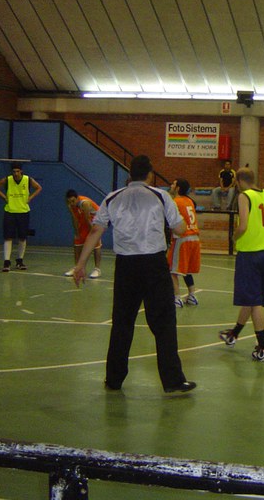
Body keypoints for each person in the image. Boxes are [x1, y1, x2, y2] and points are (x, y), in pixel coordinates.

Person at [72, 155, 196, 394]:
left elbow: (96, 231)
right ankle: (172, 380)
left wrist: (80, 265)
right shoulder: (161, 196)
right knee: (164, 323)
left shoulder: (112, 197)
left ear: (130, 174)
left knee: (122, 323)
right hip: (154, 265)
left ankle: (114, 379)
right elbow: (180, 228)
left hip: (126, 267)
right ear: (150, 174)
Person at [218, 167, 264, 361]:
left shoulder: (244, 196)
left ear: (238, 181)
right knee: (253, 298)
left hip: (250, 254)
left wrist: (233, 237)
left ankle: (263, 347)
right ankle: (234, 334)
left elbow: (243, 225)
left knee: (254, 302)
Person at [0, 162, 42, 272]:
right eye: (14, 171)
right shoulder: (8, 180)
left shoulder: (27, 180)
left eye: (17, 171)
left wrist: (30, 198)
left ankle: (20, 260)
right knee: (8, 237)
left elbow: (39, 188)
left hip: (23, 211)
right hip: (10, 211)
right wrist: (4, 197)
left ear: (21, 171)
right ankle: (6, 262)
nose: (15, 173)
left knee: (22, 237)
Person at [167, 178, 201, 308]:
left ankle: (176, 298)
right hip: (194, 238)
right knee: (186, 269)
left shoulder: (175, 202)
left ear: (178, 188)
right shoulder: (189, 201)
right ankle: (192, 295)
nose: (171, 185)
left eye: (173, 184)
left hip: (183, 238)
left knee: (172, 270)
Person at [64, 190, 102, 279]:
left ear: (77, 198)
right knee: (77, 242)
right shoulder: (70, 205)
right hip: (84, 221)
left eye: (73, 201)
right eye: (69, 201)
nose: (72, 203)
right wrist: (77, 233)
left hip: (95, 220)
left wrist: (93, 235)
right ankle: (77, 267)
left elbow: (87, 219)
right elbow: (74, 219)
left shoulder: (85, 203)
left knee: (96, 244)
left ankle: (97, 269)